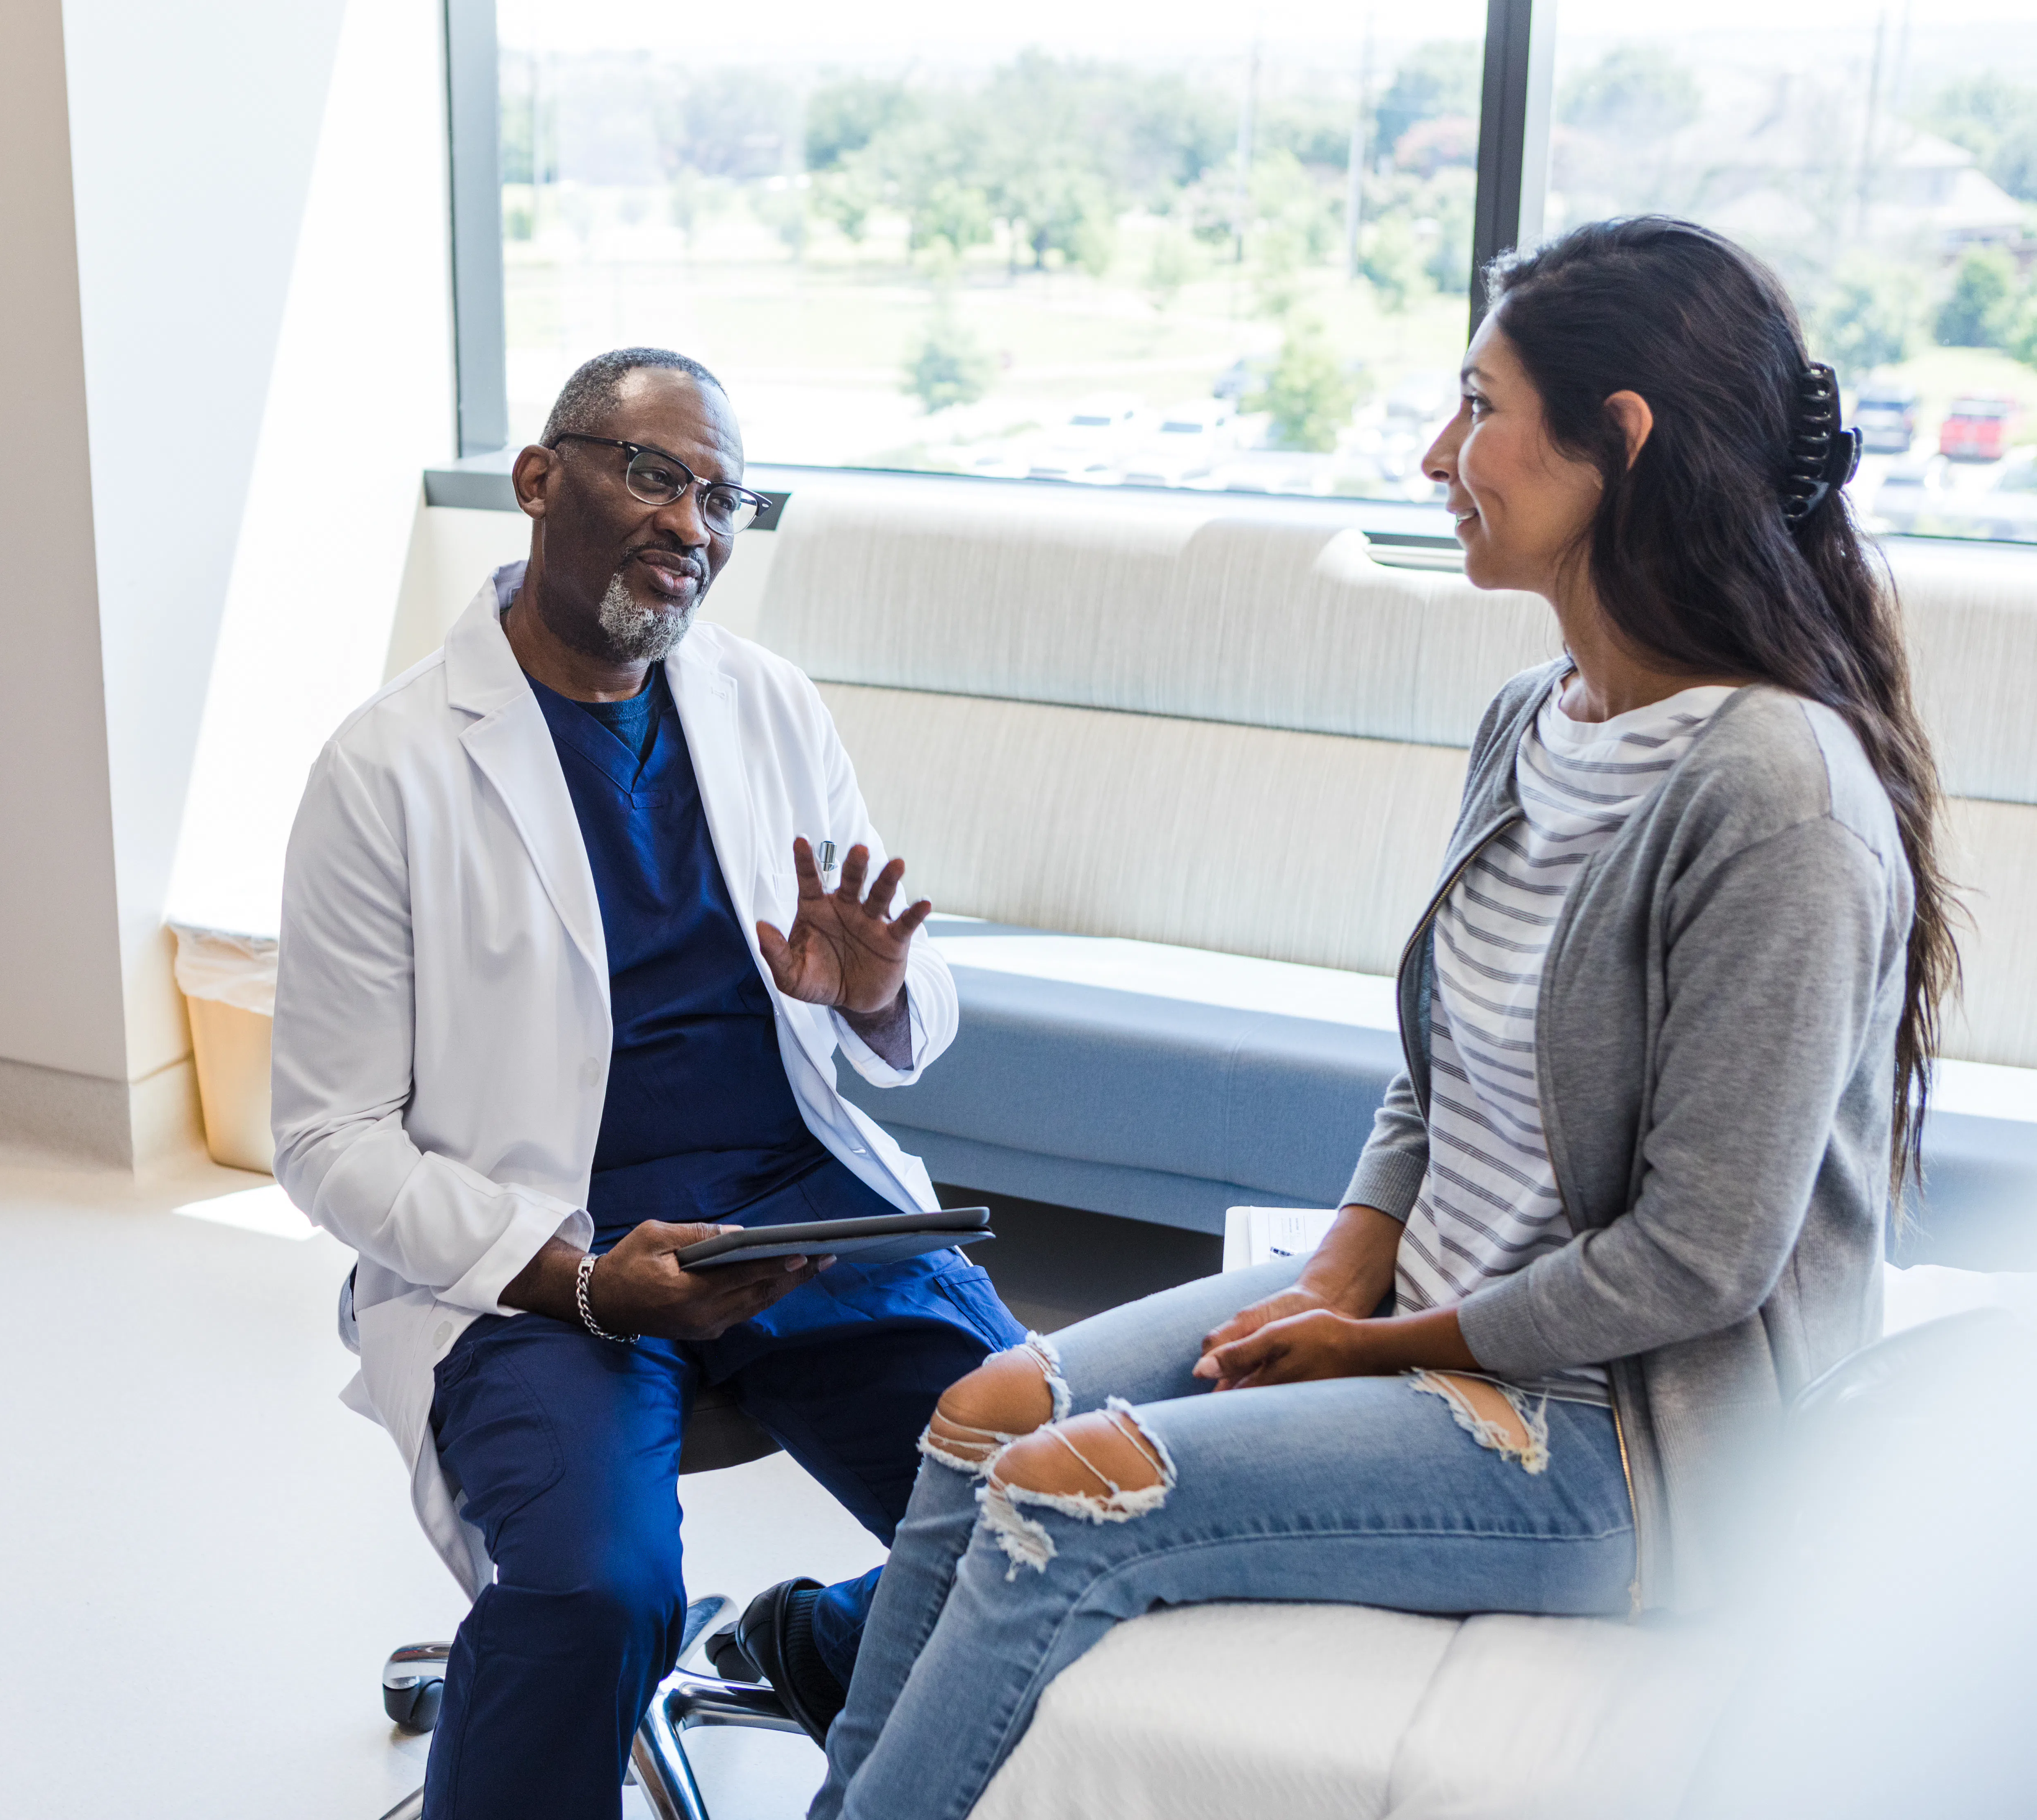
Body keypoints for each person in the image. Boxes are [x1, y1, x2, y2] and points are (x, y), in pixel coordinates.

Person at [810, 217, 1959, 1820]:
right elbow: (1439, 1073)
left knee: (1053, 1501)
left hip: (1619, 1437)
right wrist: (1350, 1253)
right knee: (979, 1414)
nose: (1439, 452)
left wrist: (1374, 1344)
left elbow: (1702, 1255)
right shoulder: (1528, 721)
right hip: (1422, 1301)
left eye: (1478, 408)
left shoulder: (1773, 793)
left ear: (1615, 440)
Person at [271, 347, 1026, 1818]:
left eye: (726, 498)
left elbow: (910, 1001)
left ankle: (816, 1644)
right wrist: (574, 1280)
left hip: (796, 1207)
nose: (694, 523)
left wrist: (873, 989)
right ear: (541, 481)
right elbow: (323, 1136)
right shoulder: (386, 767)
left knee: (1044, 1495)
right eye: (656, 474)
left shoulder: (767, 704)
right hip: (542, 1246)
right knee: (598, 1595)